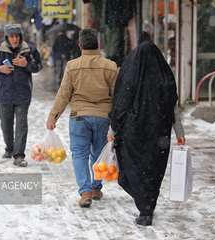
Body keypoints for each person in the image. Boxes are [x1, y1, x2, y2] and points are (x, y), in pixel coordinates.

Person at [108, 41, 178, 226]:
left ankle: (143, 207)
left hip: (134, 131)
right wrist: (179, 131)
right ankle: (148, 206)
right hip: (159, 133)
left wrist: (114, 127)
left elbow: (121, 101)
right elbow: (173, 105)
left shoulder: (131, 73)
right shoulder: (164, 76)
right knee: (153, 169)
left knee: (135, 168)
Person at [46, 29, 118, 208]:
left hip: (79, 117)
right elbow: (118, 96)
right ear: (98, 45)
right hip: (103, 116)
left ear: (80, 46)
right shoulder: (110, 66)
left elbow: (63, 94)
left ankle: (85, 191)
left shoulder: (72, 66)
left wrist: (53, 116)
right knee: (98, 152)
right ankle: (95, 187)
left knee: (79, 154)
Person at [0, 24, 42, 167]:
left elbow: (39, 66)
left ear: (21, 36)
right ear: (7, 37)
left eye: (17, 36)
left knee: (21, 125)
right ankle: (9, 148)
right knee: (6, 124)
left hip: (23, 94)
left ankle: (19, 155)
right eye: (12, 36)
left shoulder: (30, 50)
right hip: (3, 94)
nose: (15, 39)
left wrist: (26, 64)